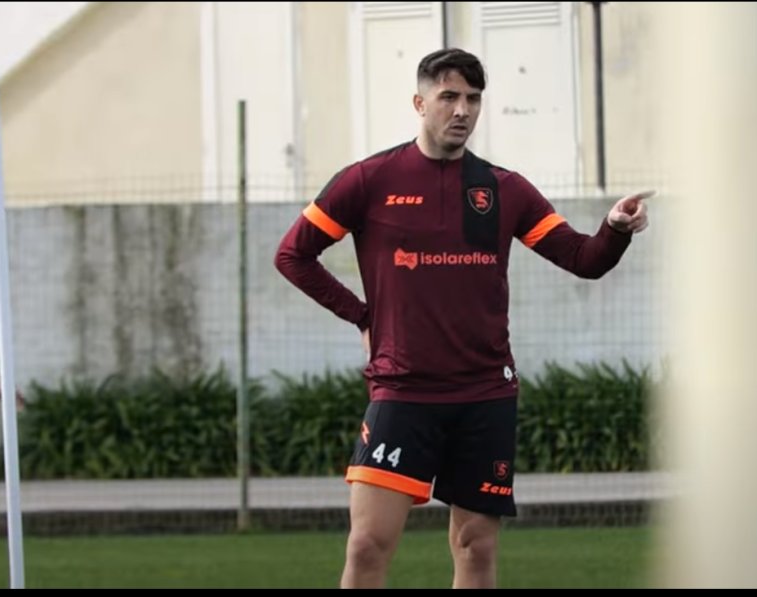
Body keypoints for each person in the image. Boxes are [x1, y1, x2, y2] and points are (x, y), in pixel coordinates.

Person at [275, 48, 651, 589]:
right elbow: (293, 255)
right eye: (449, 96)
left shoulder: (504, 188)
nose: (462, 110)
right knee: (366, 546)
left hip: (484, 394)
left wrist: (614, 229)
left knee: (476, 550)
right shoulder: (368, 179)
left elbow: (584, 259)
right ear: (419, 103)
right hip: (403, 391)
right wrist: (361, 316)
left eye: (473, 99)